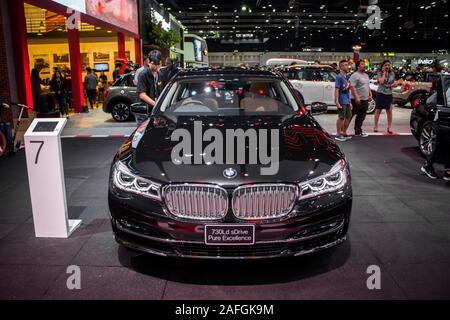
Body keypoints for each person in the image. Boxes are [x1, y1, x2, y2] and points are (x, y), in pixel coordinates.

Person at [420, 76, 450, 181]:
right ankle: (428, 166)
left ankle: (448, 171)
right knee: (441, 143)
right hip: (443, 118)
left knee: (446, 145)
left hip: (444, 116)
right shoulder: (447, 87)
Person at [136, 50, 164, 126]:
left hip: (155, 112)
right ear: (149, 62)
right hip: (144, 113)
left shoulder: (160, 75)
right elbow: (142, 95)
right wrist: (156, 105)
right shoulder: (143, 75)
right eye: (154, 64)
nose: (157, 66)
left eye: (159, 64)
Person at [373, 60, 399, 134]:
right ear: (383, 66)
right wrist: (384, 73)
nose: (387, 66)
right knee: (378, 110)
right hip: (380, 93)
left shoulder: (392, 73)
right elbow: (381, 81)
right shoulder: (379, 73)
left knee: (389, 111)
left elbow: (394, 82)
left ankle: (389, 127)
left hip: (389, 93)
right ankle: (375, 126)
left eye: (388, 65)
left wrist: (395, 84)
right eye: (385, 65)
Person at [349, 60, 372, 137]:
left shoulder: (366, 75)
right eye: (362, 64)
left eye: (364, 64)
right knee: (349, 116)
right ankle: (342, 132)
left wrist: (370, 94)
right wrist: (356, 97)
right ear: (358, 66)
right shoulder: (355, 75)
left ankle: (358, 131)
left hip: (365, 100)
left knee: (361, 117)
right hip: (356, 100)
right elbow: (352, 87)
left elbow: (367, 86)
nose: (364, 65)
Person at [334, 59, 352, 142]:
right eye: (345, 65)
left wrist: (350, 101)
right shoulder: (339, 77)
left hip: (347, 100)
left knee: (348, 116)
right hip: (341, 100)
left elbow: (348, 91)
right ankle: (338, 134)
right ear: (341, 67)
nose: (347, 66)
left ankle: (344, 132)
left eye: (347, 64)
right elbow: (337, 89)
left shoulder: (346, 77)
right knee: (341, 117)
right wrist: (337, 101)